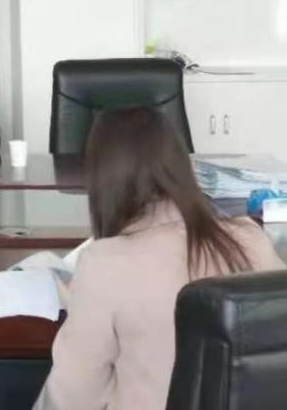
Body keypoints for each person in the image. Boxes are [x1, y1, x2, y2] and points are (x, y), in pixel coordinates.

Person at [34, 107, 284, 410]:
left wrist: (81, 300)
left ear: (101, 180)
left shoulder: (105, 263)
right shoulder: (250, 238)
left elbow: (73, 397)